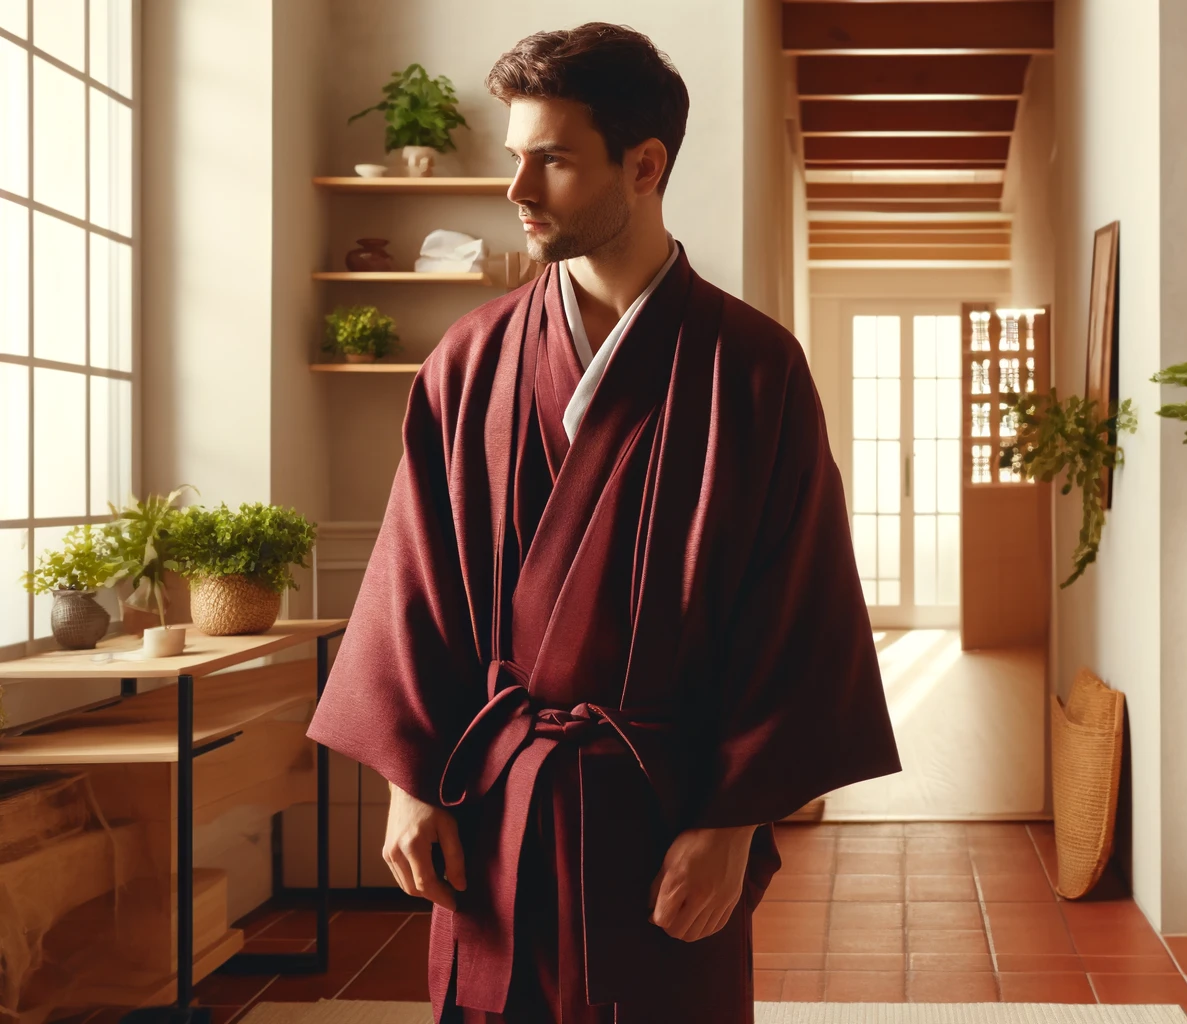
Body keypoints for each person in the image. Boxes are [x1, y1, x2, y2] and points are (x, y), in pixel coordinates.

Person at [305, 22, 901, 1023]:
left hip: (664, 806)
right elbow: (417, 578)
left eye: (553, 160)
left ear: (645, 164)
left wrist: (733, 822)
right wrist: (410, 784)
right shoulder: (472, 359)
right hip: (493, 802)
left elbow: (796, 612)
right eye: (514, 159)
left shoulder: (753, 371)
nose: (518, 191)